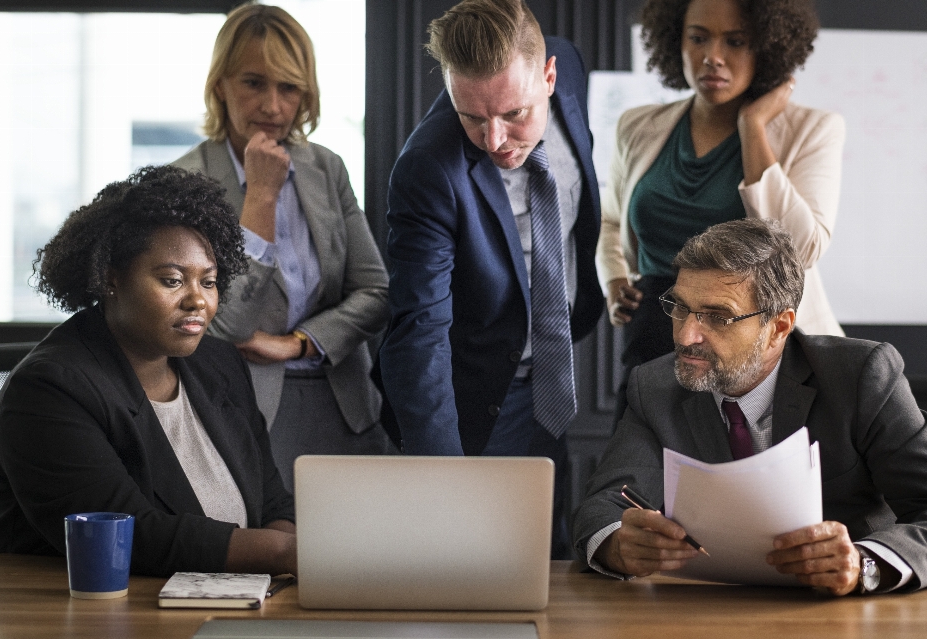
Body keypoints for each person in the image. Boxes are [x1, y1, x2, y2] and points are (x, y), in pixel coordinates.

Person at [574, 218, 927, 595]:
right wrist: (617, 544)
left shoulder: (860, 377)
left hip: (843, 613)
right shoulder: (656, 385)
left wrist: (865, 564)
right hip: (705, 611)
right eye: (680, 308)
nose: (686, 335)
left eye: (718, 317)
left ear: (778, 327)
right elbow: (605, 505)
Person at [0, 166, 297, 578]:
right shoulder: (49, 389)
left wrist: (285, 570)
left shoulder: (220, 365)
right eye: (172, 280)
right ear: (111, 279)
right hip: (76, 614)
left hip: (223, 604)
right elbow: (132, 536)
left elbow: (273, 503)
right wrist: (282, 555)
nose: (197, 300)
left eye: (210, 282)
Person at [380, 0, 603, 559]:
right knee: (467, 564)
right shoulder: (427, 169)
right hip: (472, 399)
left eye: (514, 113)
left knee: (543, 558)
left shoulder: (569, 65)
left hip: (552, 375)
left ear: (549, 76)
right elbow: (418, 329)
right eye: (473, 118)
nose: (496, 139)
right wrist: (442, 479)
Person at [173, 3, 394, 493]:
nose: (273, 106)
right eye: (254, 82)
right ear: (221, 85)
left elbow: (376, 292)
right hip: (243, 413)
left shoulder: (326, 168)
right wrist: (262, 196)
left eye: (289, 87)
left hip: (345, 406)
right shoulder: (185, 182)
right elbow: (226, 323)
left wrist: (298, 342)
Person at [598, 0, 845, 427]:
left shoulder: (813, 129)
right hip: (658, 335)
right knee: (635, 482)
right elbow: (612, 219)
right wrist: (615, 278)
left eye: (735, 41)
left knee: (749, 485)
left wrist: (753, 127)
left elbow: (801, 251)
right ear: (674, 40)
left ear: (767, 48)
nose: (713, 56)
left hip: (754, 344)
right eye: (698, 38)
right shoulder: (637, 126)